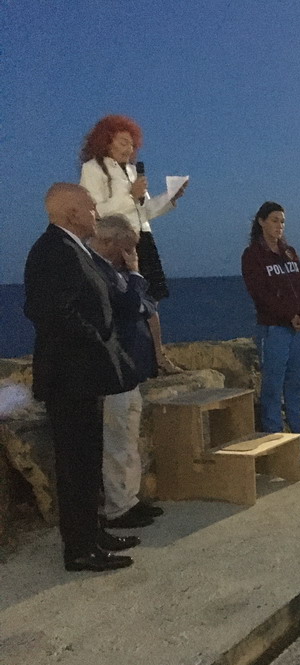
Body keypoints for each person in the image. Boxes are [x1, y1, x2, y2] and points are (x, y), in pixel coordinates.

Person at [23, 184, 137, 571]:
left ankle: (93, 533)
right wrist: (98, 342)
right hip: (69, 377)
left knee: (88, 461)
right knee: (75, 466)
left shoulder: (72, 247)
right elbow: (51, 311)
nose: (96, 214)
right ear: (71, 213)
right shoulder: (52, 250)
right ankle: (79, 549)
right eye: (91, 208)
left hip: (83, 376)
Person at [79, 114, 187, 374]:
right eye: (123, 142)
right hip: (115, 240)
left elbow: (144, 210)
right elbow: (95, 210)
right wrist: (130, 195)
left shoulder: (130, 171)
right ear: (106, 141)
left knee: (150, 299)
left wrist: (170, 198)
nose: (129, 149)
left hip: (142, 236)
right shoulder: (93, 169)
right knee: (120, 298)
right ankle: (124, 357)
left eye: (132, 144)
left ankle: (157, 356)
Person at [91, 215, 165, 531]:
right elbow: (132, 306)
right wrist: (135, 273)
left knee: (128, 440)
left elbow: (146, 305)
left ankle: (129, 499)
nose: (132, 254)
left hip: (130, 371)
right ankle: (116, 507)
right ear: (111, 244)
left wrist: (134, 281)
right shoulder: (102, 272)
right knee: (117, 443)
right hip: (114, 372)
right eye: (128, 248)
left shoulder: (115, 273)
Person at [241, 201, 300, 451]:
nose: (279, 226)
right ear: (261, 222)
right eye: (274, 220)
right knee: (273, 385)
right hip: (274, 329)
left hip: (298, 330)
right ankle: (275, 438)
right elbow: (260, 293)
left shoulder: (289, 253)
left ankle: (299, 433)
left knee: (296, 382)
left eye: (282, 221)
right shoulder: (253, 255)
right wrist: (289, 315)